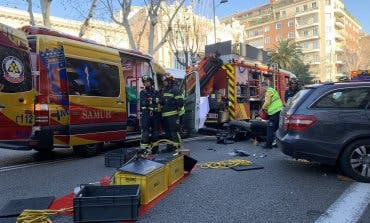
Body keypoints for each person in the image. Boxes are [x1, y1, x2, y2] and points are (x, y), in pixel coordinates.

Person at [160, 73, 183, 152]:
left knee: (174, 132)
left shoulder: (175, 89)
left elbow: (180, 102)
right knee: (167, 133)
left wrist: (171, 105)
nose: (164, 82)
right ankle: (169, 148)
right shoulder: (164, 89)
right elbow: (162, 101)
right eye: (163, 81)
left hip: (173, 115)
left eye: (165, 81)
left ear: (169, 81)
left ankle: (176, 148)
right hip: (165, 115)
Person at [139, 75, 160, 154]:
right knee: (145, 133)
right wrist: (152, 100)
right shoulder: (142, 92)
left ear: (151, 82)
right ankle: (144, 150)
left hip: (155, 116)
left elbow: (159, 100)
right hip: (146, 116)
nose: (146, 83)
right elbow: (143, 103)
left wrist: (151, 100)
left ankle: (155, 150)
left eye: (148, 82)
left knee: (155, 133)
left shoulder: (156, 92)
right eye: (145, 82)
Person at [260, 82, 283, 149]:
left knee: (270, 128)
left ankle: (268, 145)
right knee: (277, 129)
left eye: (261, 87)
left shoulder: (268, 92)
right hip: (279, 111)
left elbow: (267, 102)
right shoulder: (273, 90)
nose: (260, 89)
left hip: (274, 113)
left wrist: (262, 108)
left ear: (264, 86)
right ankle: (277, 143)